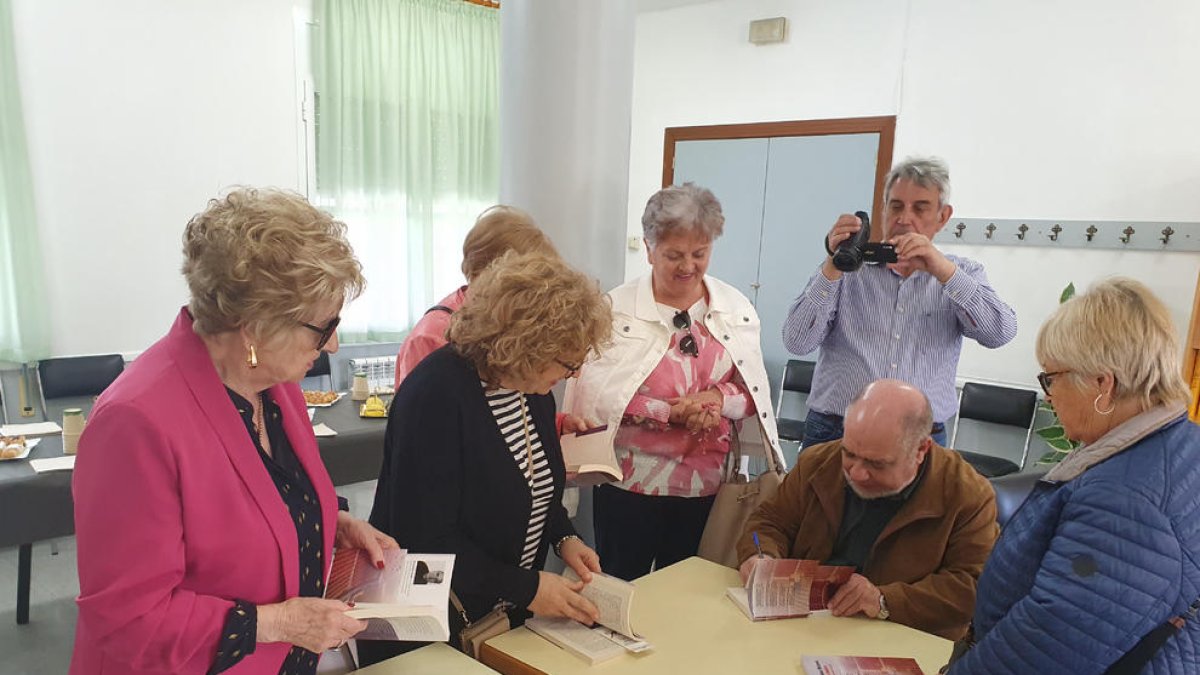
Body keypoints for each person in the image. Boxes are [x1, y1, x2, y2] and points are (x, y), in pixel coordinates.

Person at [71, 189, 398, 675]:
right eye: (323, 326)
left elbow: (269, 497)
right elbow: (128, 621)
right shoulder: (135, 421)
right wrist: (277, 623)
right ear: (255, 327)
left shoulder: (272, 383)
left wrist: (332, 523)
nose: (332, 343)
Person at [361, 251, 612, 665]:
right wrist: (530, 588)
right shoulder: (436, 394)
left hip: (493, 614)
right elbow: (426, 538)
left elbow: (537, 484)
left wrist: (564, 537)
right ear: (529, 344)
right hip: (428, 625)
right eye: (569, 363)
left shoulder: (530, 392)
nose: (573, 374)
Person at [947, 279, 1200, 674]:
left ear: (1103, 383)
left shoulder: (1125, 499)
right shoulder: (1179, 446)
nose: (1048, 395)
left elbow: (1050, 642)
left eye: (1051, 377)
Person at [563, 183, 783, 581]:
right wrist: (667, 412)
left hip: (705, 487)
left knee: (689, 590)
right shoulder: (614, 310)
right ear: (648, 248)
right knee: (620, 582)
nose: (688, 266)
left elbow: (752, 392)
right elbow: (595, 396)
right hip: (628, 485)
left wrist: (716, 400)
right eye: (673, 255)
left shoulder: (733, 309)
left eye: (700, 254)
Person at [782, 156, 1017, 448]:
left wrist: (942, 271)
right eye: (895, 206)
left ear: (943, 217)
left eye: (920, 208)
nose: (904, 218)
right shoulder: (847, 271)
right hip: (837, 429)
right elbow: (796, 340)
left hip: (920, 438)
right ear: (883, 211)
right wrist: (833, 263)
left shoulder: (962, 274)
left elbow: (1000, 333)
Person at [736, 379, 997, 640]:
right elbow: (768, 523)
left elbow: (973, 587)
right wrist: (761, 555)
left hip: (903, 635)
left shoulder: (967, 494)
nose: (857, 474)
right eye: (849, 454)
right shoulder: (818, 463)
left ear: (921, 450)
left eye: (877, 464)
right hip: (805, 624)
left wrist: (884, 600)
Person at [392, 205, 557, 391]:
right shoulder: (430, 335)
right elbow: (418, 414)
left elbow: (506, 406)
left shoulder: (510, 325)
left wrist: (559, 421)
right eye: (526, 284)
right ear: (488, 273)